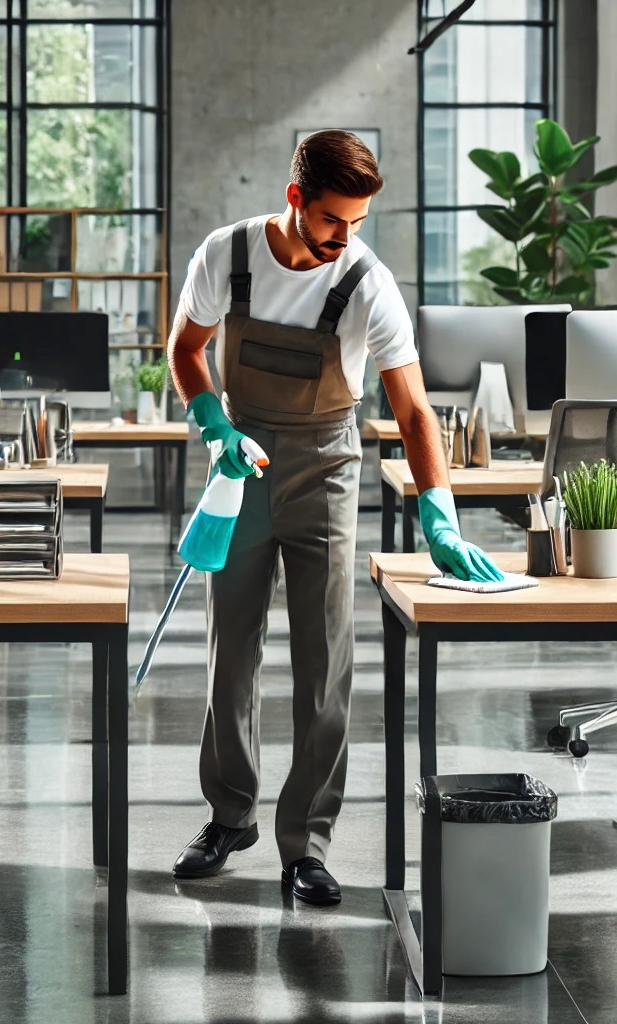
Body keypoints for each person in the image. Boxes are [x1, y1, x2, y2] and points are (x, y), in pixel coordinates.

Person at [168, 130, 502, 906]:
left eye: (356, 223)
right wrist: (215, 426)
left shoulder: (368, 283)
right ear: (296, 200)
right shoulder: (229, 255)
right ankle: (230, 816)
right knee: (231, 654)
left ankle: (307, 843)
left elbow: (414, 411)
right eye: (332, 221)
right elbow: (187, 350)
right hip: (240, 464)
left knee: (325, 667)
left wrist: (440, 518)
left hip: (325, 469)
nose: (344, 238)